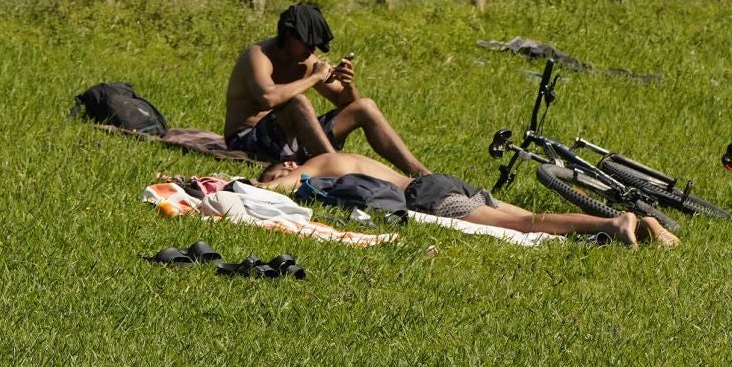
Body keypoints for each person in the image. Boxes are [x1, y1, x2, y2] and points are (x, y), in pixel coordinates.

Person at [256, 148, 679, 249]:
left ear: (288, 164)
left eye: (278, 170)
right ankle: (647, 223)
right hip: (440, 182)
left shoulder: (320, 164)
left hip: (426, 197)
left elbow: (270, 190)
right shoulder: (345, 156)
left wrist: (255, 182)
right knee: (534, 216)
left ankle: (613, 223)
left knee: (525, 226)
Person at [223, 0, 428, 175]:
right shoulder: (259, 56)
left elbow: (347, 105)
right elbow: (268, 97)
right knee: (298, 101)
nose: (311, 51)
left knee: (365, 106)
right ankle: (335, 168)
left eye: (314, 47)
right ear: (287, 35)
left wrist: (347, 84)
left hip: (291, 140)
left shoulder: (306, 61)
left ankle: (422, 174)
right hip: (247, 140)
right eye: (307, 44)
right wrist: (314, 78)